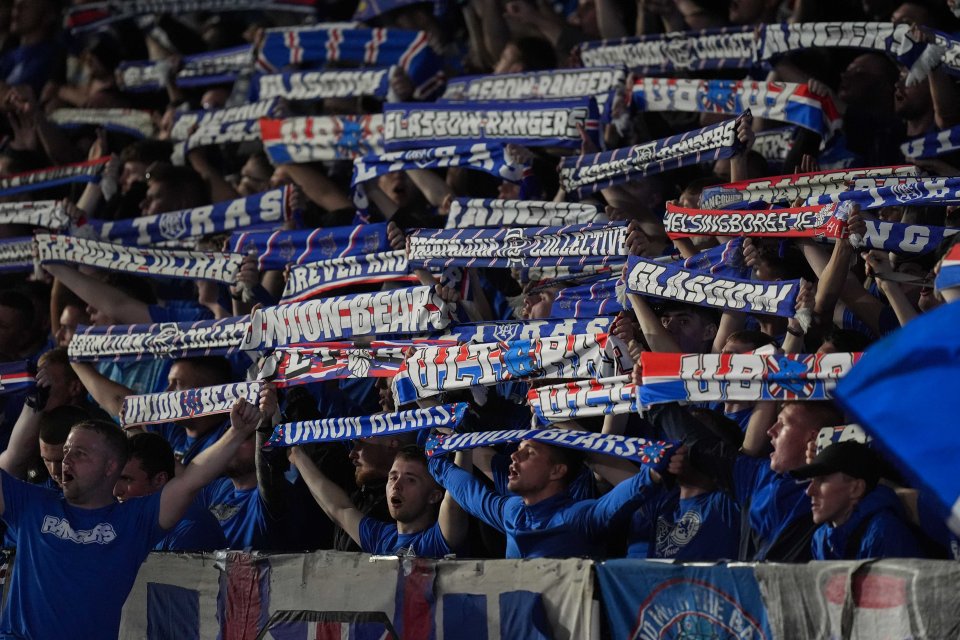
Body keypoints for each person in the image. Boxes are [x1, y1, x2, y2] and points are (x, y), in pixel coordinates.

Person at [0, 398, 264, 639]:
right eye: (67, 451)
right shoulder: (31, 504)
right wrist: (31, 403)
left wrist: (237, 432)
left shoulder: (134, 520)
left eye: (79, 454)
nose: (65, 460)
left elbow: (191, 480)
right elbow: (11, 456)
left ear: (110, 467)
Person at [429, 439, 654, 558]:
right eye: (518, 449)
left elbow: (622, 496)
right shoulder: (513, 511)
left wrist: (654, 469)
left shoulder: (577, 517)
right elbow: (469, 492)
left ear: (557, 471)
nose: (514, 456)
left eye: (530, 453)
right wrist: (435, 459)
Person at [292, 444, 468, 557]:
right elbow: (339, 508)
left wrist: (463, 445)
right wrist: (295, 453)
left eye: (411, 479)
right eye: (393, 477)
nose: (396, 485)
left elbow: (457, 496)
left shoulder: (437, 540)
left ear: (434, 496)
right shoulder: (382, 538)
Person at [793, 441, 922, 560]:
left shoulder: (886, 534)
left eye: (822, 480)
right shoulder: (820, 538)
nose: (809, 491)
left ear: (856, 489)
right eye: (811, 481)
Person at [114, 432, 226, 552]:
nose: (116, 491)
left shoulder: (191, 526)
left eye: (127, 479)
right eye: (113, 479)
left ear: (159, 480)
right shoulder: (130, 524)